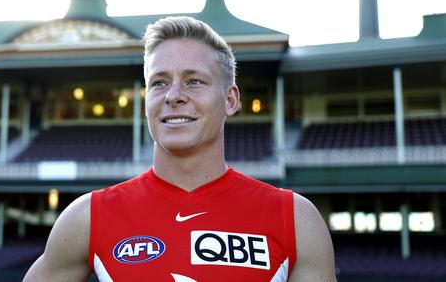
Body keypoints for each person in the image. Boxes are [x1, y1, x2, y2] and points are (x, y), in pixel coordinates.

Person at [24, 16, 336, 281]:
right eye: (159, 82)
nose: (173, 95)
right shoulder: (88, 217)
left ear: (230, 100)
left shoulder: (295, 220)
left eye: (194, 81)